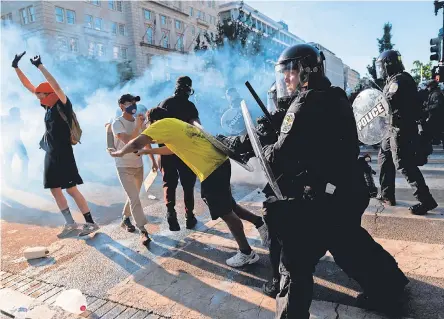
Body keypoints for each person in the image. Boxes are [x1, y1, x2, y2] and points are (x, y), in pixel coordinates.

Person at [222, 44, 408, 318]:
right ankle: (389, 287)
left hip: (324, 197)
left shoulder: (306, 103)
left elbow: (279, 155)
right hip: (346, 189)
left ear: (307, 70)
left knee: (295, 261)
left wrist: (251, 149)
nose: (285, 78)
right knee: (349, 244)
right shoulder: (333, 95)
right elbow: (305, 137)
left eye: (290, 71)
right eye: (283, 72)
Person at [109, 106, 269, 268]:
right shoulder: (174, 124)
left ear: (153, 121)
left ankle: (247, 253)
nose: (147, 128)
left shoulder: (159, 125)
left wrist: (120, 153)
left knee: (225, 212)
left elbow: (136, 142)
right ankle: (260, 223)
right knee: (228, 204)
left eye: (147, 125)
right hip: (218, 163)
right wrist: (144, 152)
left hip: (210, 168)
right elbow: (171, 150)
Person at [12, 51, 99, 237]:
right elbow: (30, 87)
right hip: (50, 153)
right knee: (54, 188)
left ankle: (90, 223)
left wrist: (40, 66)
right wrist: (16, 68)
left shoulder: (62, 104)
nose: (38, 98)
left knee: (71, 189)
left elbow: (56, 86)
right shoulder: (48, 107)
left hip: (63, 152)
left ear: (49, 94)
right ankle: (71, 223)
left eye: (41, 95)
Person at [376, 50, 438, 215]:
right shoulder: (395, 79)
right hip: (391, 129)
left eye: (381, 66)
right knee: (384, 157)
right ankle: (387, 194)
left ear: (388, 64)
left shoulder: (400, 80)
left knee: (403, 163)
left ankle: (426, 200)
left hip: (400, 129)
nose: (380, 69)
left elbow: (388, 103)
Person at [110, 94, 157, 246]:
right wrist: (138, 125)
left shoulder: (139, 121)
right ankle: (143, 230)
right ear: (122, 106)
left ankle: (125, 218)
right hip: (123, 165)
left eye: (134, 102)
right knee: (135, 198)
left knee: (135, 196)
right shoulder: (117, 123)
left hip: (138, 165)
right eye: (129, 103)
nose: (133, 105)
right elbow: (129, 142)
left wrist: (152, 160)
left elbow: (146, 139)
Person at [155, 76, 199, 231]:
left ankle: (170, 212)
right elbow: (197, 127)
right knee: (188, 185)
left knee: (169, 183)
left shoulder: (164, 103)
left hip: (166, 152)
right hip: (186, 152)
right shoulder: (190, 106)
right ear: (188, 89)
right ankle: (189, 216)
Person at [1, 106, 29, 182]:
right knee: (9, 160)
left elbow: (25, 129)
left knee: (24, 159)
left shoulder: (19, 120)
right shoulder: (5, 119)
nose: (19, 114)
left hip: (16, 142)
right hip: (9, 142)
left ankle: (22, 178)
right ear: (12, 113)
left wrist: (27, 125)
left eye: (19, 112)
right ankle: (9, 178)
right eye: (18, 112)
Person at [423, 79, 444, 147]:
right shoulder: (433, 93)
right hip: (433, 116)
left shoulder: (436, 94)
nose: (427, 88)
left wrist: (427, 108)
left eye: (428, 86)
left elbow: (437, 105)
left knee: (438, 132)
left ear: (432, 86)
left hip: (436, 117)